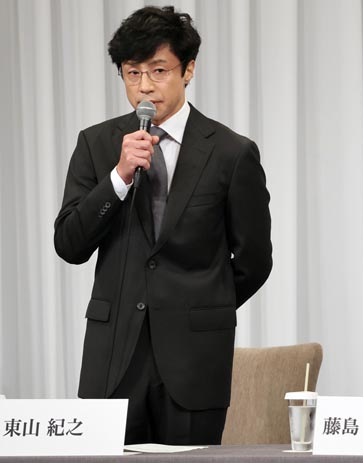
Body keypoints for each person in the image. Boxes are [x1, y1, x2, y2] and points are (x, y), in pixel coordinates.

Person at [54, 6, 272, 445]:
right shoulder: (97, 144)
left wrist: (201, 305)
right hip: (112, 358)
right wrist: (118, 177)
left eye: (158, 70)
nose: (144, 86)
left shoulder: (231, 152)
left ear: (188, 70)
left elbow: (254, 260)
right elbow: (69, 244)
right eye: (132, 73)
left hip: (195, 360)